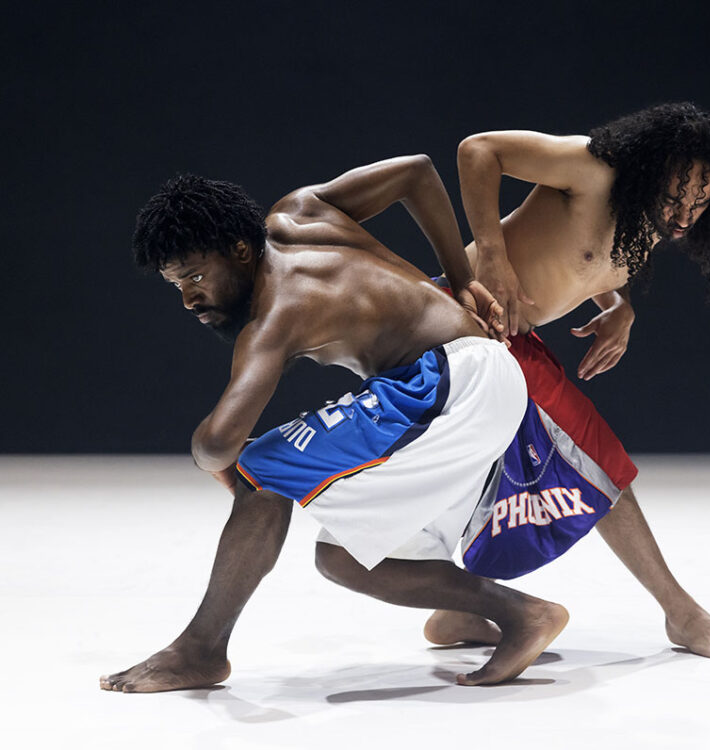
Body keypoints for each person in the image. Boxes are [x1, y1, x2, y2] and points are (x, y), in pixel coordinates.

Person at [100, 155, 570, 693]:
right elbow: (417, 172)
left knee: (260, 470)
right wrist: (463, 281)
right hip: (470, 383)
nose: (188, 299)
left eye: (196, 277)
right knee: (341, 558)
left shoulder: (275, 315)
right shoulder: (300, 213)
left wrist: (229, 461)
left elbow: (215, 442)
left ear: (240, 250)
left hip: (450, 387)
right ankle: (494, 612)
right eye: (176, 285)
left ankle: (201, 651)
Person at [424, 102, 710, 660]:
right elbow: (477, 149)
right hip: (459, 323)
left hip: (502, 341)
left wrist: (620, 307)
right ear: (648, 169)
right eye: (675, 197)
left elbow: (591, 258)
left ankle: (461, 609)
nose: (682, 216)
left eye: (700, 205)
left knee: (491, 479)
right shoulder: (592, 168)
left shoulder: (645, 218)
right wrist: (492, 253)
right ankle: (682, 614)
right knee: (598, 461)